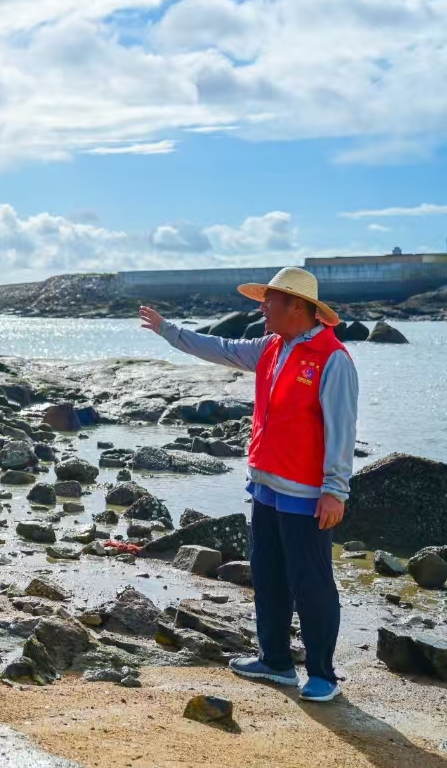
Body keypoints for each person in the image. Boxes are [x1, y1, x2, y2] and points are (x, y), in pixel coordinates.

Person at [139, 266, 358, 703]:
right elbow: (218, 347)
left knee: (311, 582)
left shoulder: (333, 358)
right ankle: (275, 661)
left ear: (297, 306)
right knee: (268, 575)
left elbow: (342, 430)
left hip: (307, 494)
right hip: (265, 486)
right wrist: (168, 330)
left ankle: (323, 675)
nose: (262, 308)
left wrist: (336, 489)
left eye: (269, 300)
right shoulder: (270, 347)